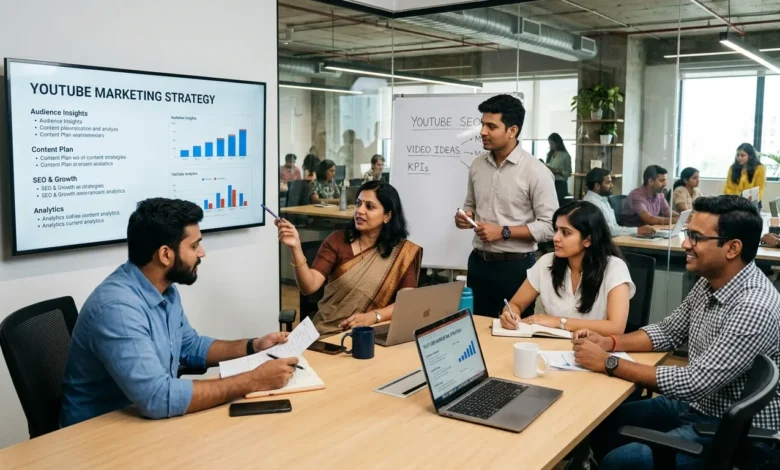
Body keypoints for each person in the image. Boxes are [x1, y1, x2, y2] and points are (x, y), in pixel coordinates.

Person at [572, 195, 780, 469]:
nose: (685, 244)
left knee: (624, 461)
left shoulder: (753, 306)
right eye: (688, 234)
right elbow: (668, 331)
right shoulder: (711, 283)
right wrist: (609, 342)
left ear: (732, 248)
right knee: (600, 421)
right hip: (703, 405)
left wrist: (608, 362)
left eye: (695, 237)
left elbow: (694, 381)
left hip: (737, 433)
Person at [60, 199, 298, 427]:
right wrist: (252, 380)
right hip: (96, 436)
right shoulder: (117, 309)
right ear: (165, 255)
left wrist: (253, 346)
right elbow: (157, 397)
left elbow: (191, 347)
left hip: (138, 421)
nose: (202, 253)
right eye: (194, 245)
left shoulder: (164, 290)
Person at [454, 94, 558, 319]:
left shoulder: (536, 172)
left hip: (516, 269)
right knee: (476, 328)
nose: (483, 132)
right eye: (482, 125)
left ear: (512, 130)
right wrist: (465, 217)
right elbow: (470, 204)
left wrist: (504, 232)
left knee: (512, 331)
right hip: (479, 264)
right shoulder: (477, 165)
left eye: (491, 126)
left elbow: (550, 226)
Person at [277, 181, 422, 336]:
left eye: (369, 206)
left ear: (387, 216)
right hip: (327, 333)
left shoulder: (402, 253)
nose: (360, 210)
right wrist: (296, 248)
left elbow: (406, 302)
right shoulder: (337, 240)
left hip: (371, 334)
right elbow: (309, 286)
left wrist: (374, 316)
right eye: (358, 204)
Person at [499, 201, 634, 336]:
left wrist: (559, 322)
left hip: (593, 350)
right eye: (556, 230)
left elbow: (616, 327)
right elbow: (515, 304)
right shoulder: (546, 262)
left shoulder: (614, 268)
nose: (556, 238)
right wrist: (510, 314)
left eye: (566, 232)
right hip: (549, 348)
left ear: (588, 240)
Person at [583, 168, 655, 238]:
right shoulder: (592, 203)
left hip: (613, 239)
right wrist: (638, 230)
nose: (612, 185)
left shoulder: (602, 200)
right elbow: (609, 231)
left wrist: (637, 231)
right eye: (608, 183)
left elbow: (614, 227)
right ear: (597, 186)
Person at [545, 133, 572, 203]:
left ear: (557, 143)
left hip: (560, 184)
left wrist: (558, 172)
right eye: (549, 143)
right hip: (550, 182)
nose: (550, 146)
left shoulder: (565, 155)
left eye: (552, 143)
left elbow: (569, 173)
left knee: (558, 204)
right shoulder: (549, 155)